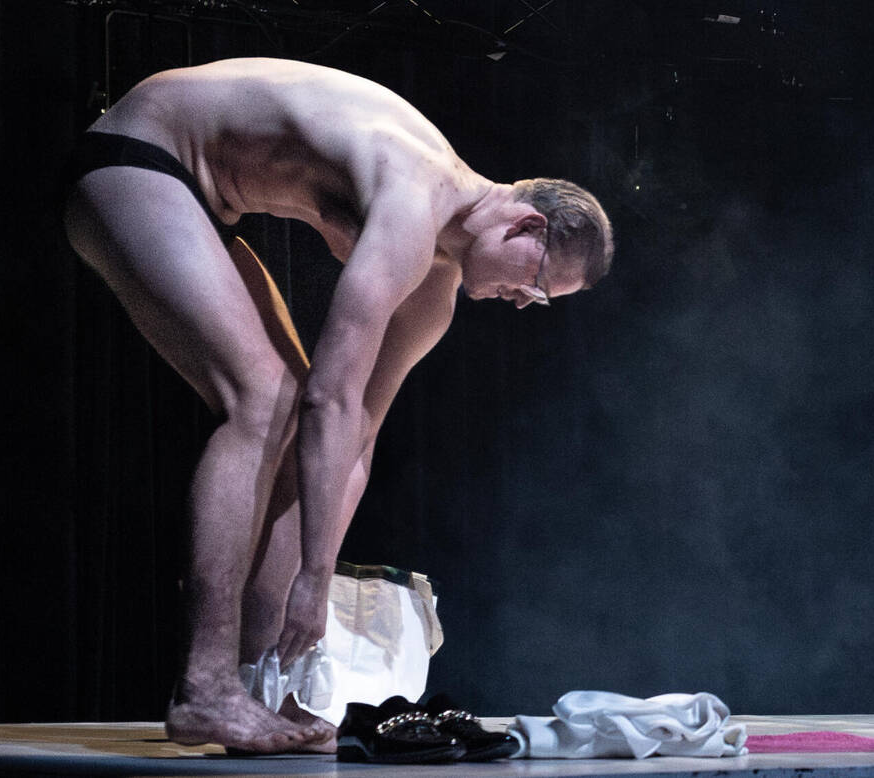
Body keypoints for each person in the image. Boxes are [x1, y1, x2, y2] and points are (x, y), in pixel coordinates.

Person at [62, 57, 614, 753]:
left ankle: (256, 684)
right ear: (526, 227)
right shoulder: (417, 195)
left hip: (201, 200)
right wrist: (312, 578)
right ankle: (204, 688)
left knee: (289, 416)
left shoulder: (434, 290)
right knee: (267, 398)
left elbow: (354, 435)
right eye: (535, 287)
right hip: (138, 158)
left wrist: (311, 584)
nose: (523, 303)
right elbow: (331, 394)